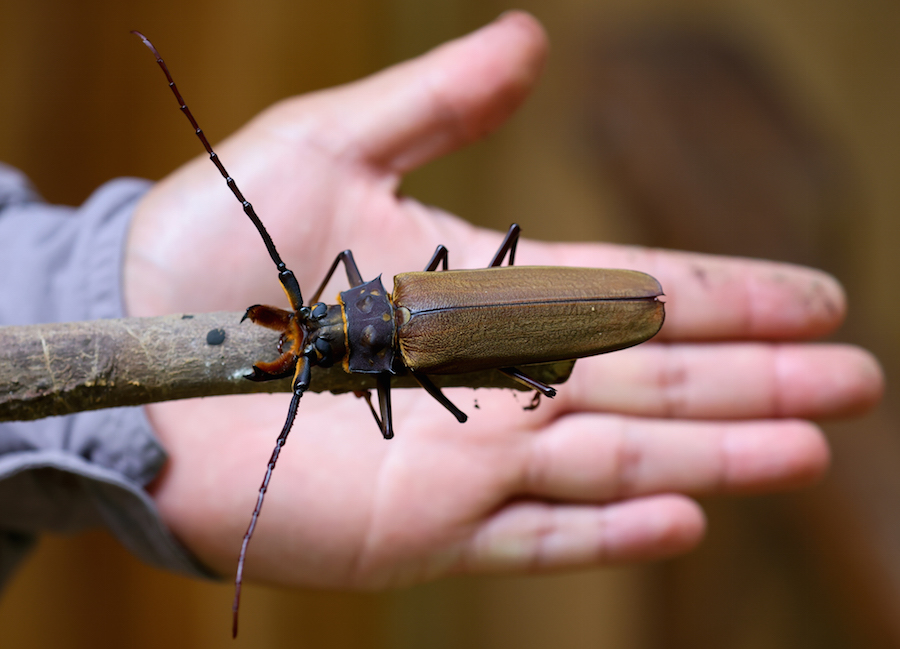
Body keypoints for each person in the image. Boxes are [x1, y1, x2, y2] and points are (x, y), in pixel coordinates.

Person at [0, 12, 883, 591]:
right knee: (503, 331)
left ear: (354, 321)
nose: (326, 327)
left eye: (325, 323)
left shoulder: (402, 345)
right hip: (471, 307)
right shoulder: (395, 290)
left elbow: (394, 411)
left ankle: (543, 365)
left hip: (528, 311)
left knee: (496, 360)